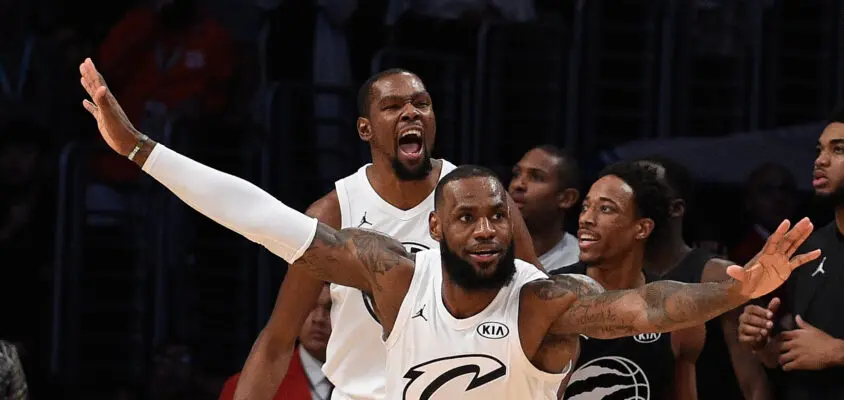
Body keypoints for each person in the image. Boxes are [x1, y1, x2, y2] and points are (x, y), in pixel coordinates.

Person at [80, 57, 820, 399]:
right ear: (434, 226)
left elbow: (648, 307)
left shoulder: (541, 300)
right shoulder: (396, 276)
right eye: (466, 217)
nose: (488, 228)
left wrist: (734, 292)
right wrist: (142, 150)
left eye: (498, 213)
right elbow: (261, 217)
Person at [85, 62, 540, 400]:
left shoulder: (479, 200)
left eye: (422, 104)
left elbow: (539, 307)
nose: (411, 114)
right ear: (365, 128)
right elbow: (278, 336)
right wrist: (139, 149)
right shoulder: (335, 210)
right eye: (394, 106)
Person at [551, 161, 705, 399]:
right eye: (585, 207)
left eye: (605, 209)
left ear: (642, 228)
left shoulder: (677, 312)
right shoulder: (550, 296)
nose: (586, 219)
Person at [640, 156, 772, 400]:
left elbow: (753, 386)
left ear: (676, 208)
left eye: (644, 192)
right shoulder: (606, 276)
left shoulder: (721, 277)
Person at [738, 110, 844, 399]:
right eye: (819, 150)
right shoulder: (807, 248)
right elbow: (786, 355)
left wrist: (837, 351)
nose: (820, 160)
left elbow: (824, 350)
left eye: (839, 150)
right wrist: (761, 342)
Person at [219, 283, 333, 400]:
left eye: (330, 308)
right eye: (310, 307)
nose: (318, 318)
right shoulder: (246, 387)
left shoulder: (350, 377)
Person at [509, 145, 581, 272]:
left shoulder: (579, 260)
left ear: (566, 198)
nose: (518, 184)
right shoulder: (485, 250)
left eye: (536, 177)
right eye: (516, 174)